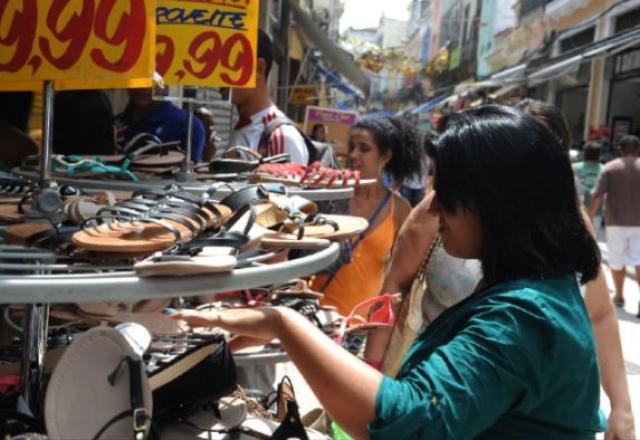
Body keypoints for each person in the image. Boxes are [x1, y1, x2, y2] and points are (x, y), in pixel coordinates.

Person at [171, 106, 603, 439]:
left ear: (495, 202)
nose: (433, 207)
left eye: (446, 192)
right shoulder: (541, 288)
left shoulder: (522, 316)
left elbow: (406, 421)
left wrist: (284, 323)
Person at [365, 101, 634, 440]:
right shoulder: (445, 213)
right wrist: (371, 370)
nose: (436, 203)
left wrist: (622, 405)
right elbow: (393, 286)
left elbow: (600, 315)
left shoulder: (524, 307)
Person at [309, 116, 420, 315]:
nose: (353, 155)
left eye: (364, 148)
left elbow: (401, 277)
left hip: (358, 327)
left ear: (385, 157)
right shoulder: (329, 194)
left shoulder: (400, 210)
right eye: (351, 146)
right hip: (312, 313)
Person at [223, 30, 309, 164]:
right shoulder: (245, 127)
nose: (219, 76)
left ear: (258, 68)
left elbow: (289, 184)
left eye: (229, 64)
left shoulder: (280, 137)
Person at [590, 135, 640, 312]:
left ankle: (619, 295)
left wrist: (589, 217)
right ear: (638, 149)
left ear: (620, 150)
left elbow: (598, 195)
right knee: (639, 261)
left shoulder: (610, 168)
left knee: (617, 261)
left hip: (615, 222)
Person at [115, 87, 205, 161]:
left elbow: (191, 174)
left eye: (153, 81)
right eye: (138, 80)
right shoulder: (116, 123)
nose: (143, 88)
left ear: (165, 86)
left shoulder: (188, 125)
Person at [53, 90, 115, 156]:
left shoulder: (61, 98)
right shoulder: (101, 98)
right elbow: (110, 131)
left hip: (66, 158)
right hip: (99, 159)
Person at [574, 142, 604, 217]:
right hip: (597, 211)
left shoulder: (574, 167)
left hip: (578, 211)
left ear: (584, 153)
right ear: (599, 155)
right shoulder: (605, 169)